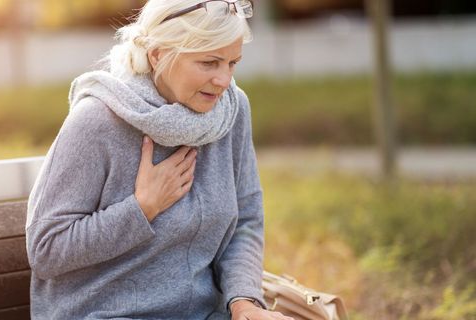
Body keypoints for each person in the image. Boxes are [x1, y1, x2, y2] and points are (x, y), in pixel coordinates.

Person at [26, 0, 292, 319]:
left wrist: (244, 302)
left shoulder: (231, 111)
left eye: (232, 63)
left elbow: (246, 220)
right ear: (158, 55)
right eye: (209, 63)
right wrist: (141, 209)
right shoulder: (97, 120)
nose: (223, 80)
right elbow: (46, 249)